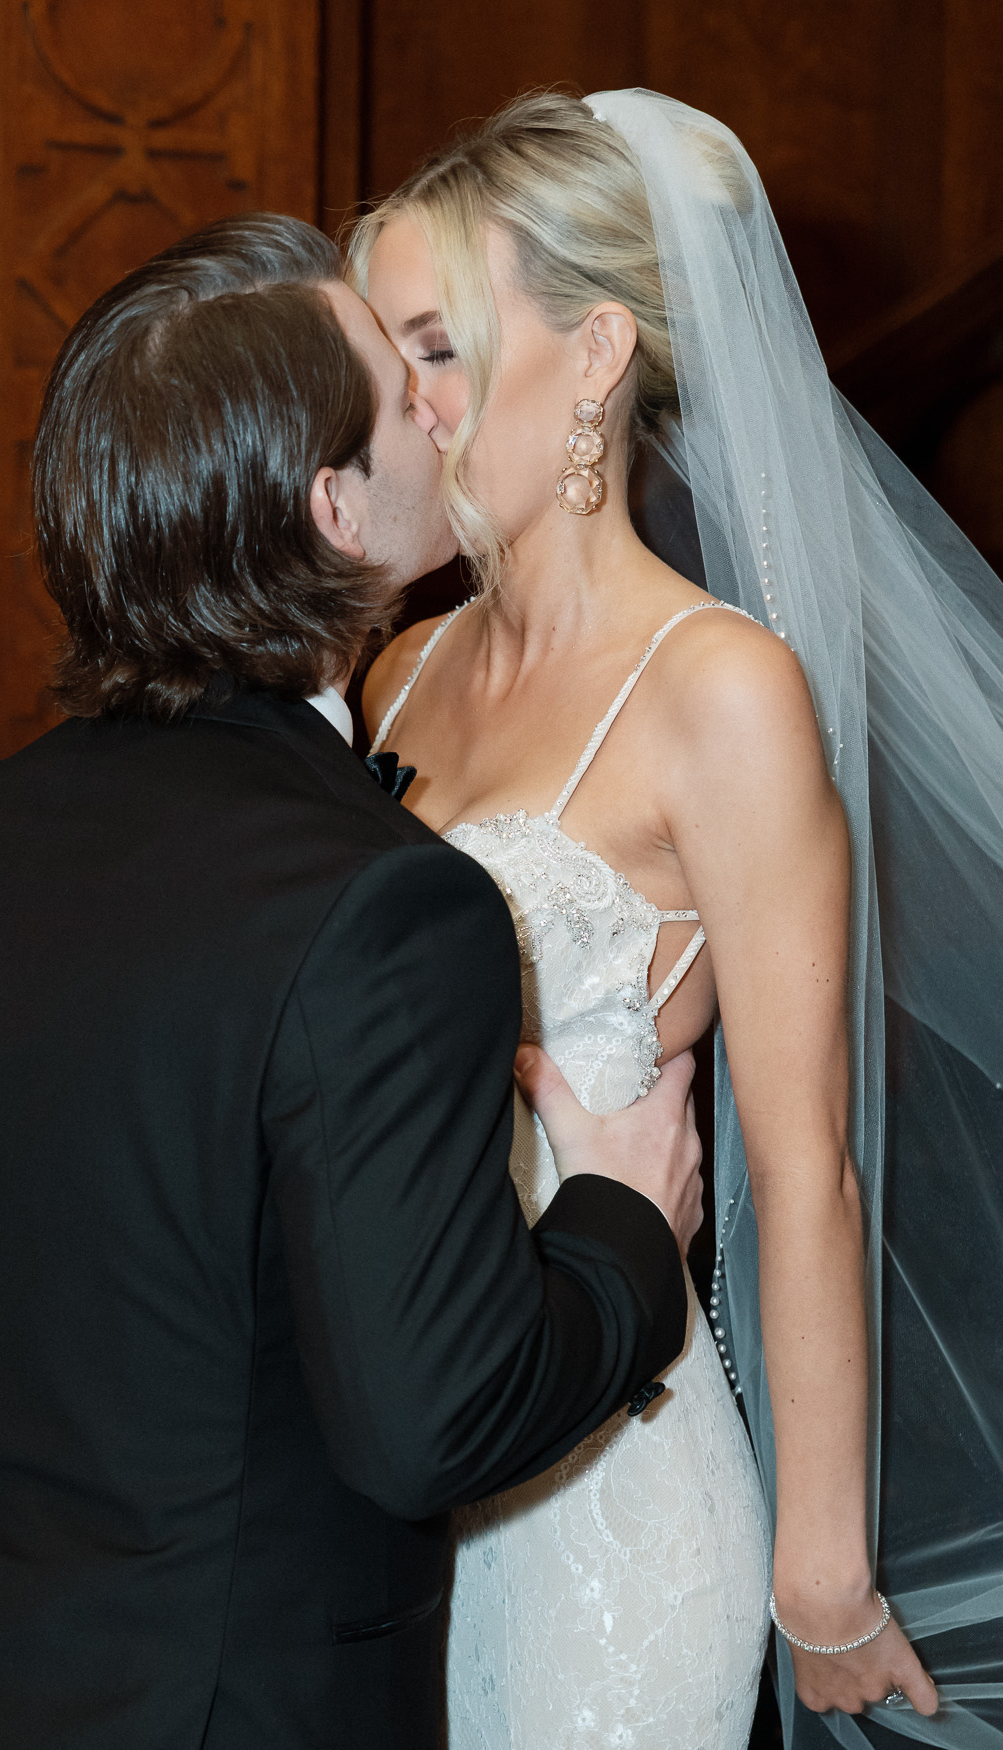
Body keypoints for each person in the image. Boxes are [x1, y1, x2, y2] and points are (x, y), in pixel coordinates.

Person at [0, 213, 708, 1750]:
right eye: (403, 387)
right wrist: (624, 1223)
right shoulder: (390, 908)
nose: (443, 406)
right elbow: (427, 1415)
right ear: (334, 512)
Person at [355, 88, 1003, 1749]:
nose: (398, 403)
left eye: (438, 345)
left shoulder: (720, 690)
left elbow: (804, 1163)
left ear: (593, 356)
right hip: (390, 1482)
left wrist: (826, 1575)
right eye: (386, 351)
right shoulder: (396, 671)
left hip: (608, 1506)